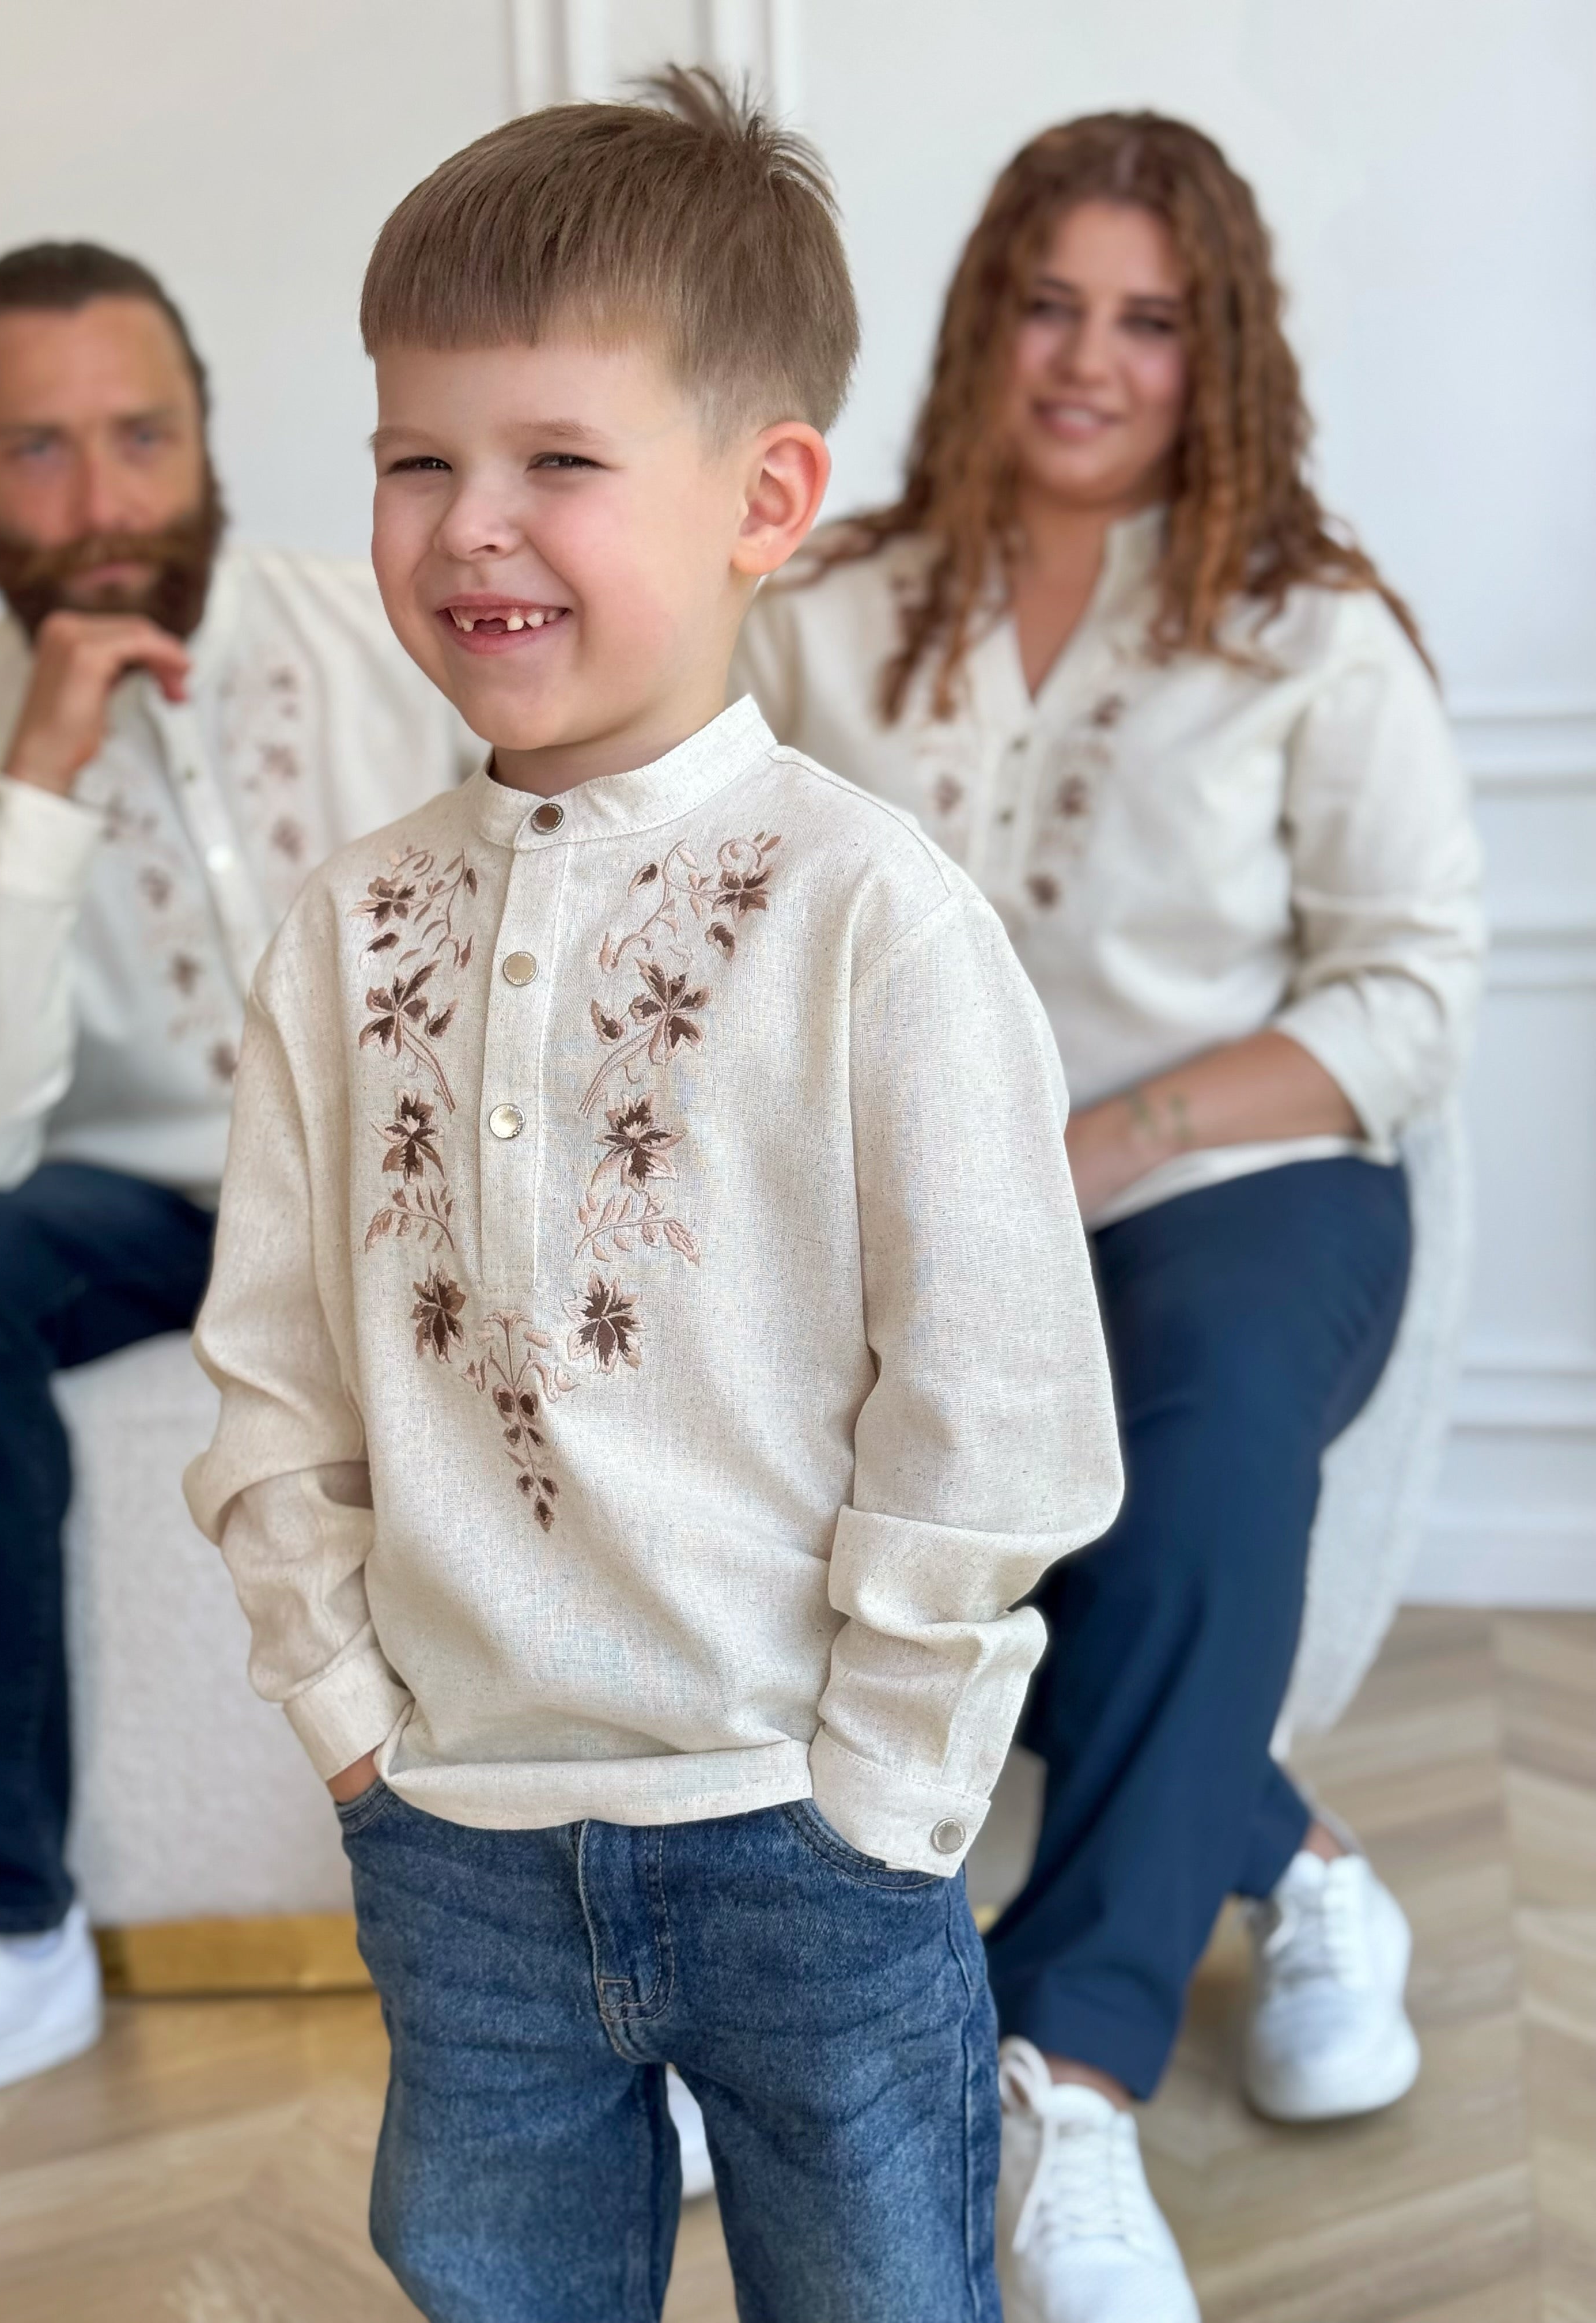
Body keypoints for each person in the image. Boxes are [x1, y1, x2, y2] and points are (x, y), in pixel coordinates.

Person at [187, 71, 1122, 2323]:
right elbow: (274, 1373)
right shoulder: (348, 928)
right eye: (418, 460)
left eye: (559, 462)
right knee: (488, 2281)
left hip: (808, 1842)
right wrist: (349, 1726)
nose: (469, 528)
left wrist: (883, 1794)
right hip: (455, 1838)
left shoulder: (874, 918)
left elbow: (999, 1400)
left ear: (765, 498)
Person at [732, 110, 1484, 2323]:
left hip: (1246, 1191)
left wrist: (1120, 1134)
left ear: (1216, 352)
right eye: (1050, 306)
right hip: (912, 1217)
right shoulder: (832, 612)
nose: (1088, 359)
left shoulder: (1312, 632)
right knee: (861, 1485)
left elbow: (1411, 989)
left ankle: (1070, 2077)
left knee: (1191, 1452)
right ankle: (1300, 1862)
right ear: (985, 321)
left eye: (1148, 322)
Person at [0, 241, 474, 2176]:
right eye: (37, 451)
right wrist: (38, 783)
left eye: (141, 437)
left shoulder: (391, 638)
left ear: (206, 433)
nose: (104, 502)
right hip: (138, 1205)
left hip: (411, 1174)